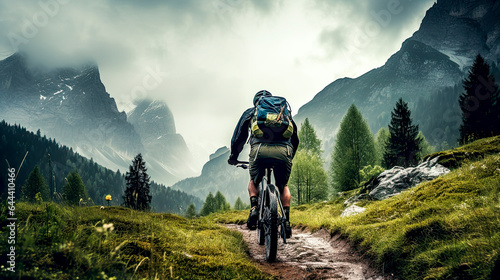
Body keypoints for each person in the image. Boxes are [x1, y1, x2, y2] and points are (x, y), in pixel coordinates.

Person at [228, 90, 299, 238]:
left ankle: (254, 208)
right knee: (283, 186)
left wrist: (234, 156)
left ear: (256, 101)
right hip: (284, 152)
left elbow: (239, 136)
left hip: (259, 151)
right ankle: (286, 221)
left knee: (254, 181)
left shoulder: (252, 111)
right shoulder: (283, 111)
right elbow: (295, 137)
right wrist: (289, 155)